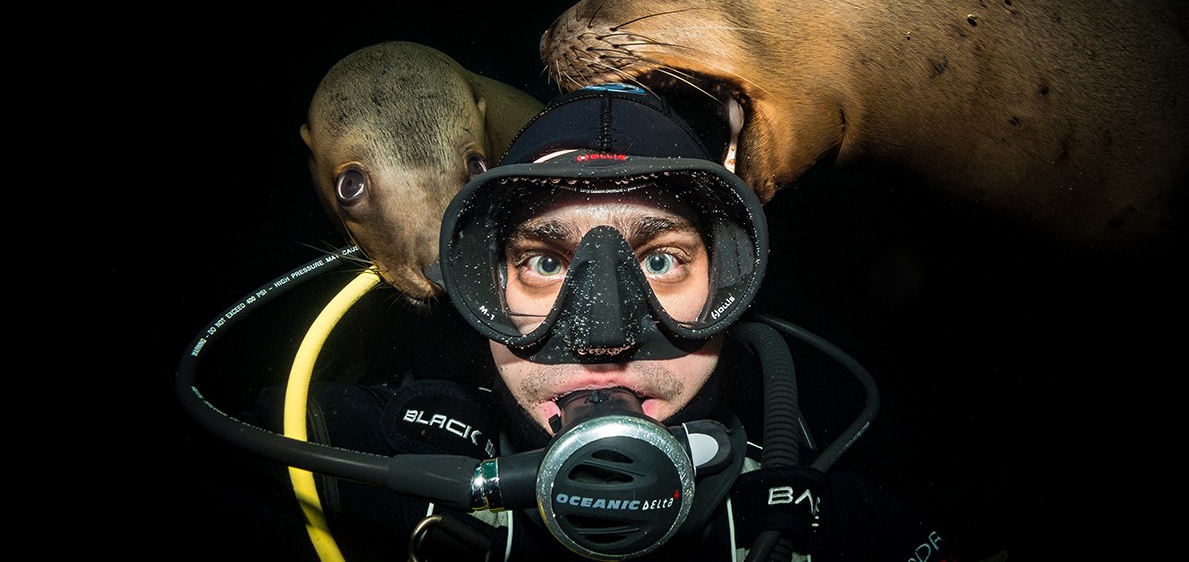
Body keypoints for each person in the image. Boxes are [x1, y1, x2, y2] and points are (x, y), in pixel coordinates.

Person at [214, 84, 973, 561]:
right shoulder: (342, 468)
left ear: (734, 286)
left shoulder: (847, 536)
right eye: (544, 262)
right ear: (478, 289)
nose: (603, 333)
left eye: (660, 259)